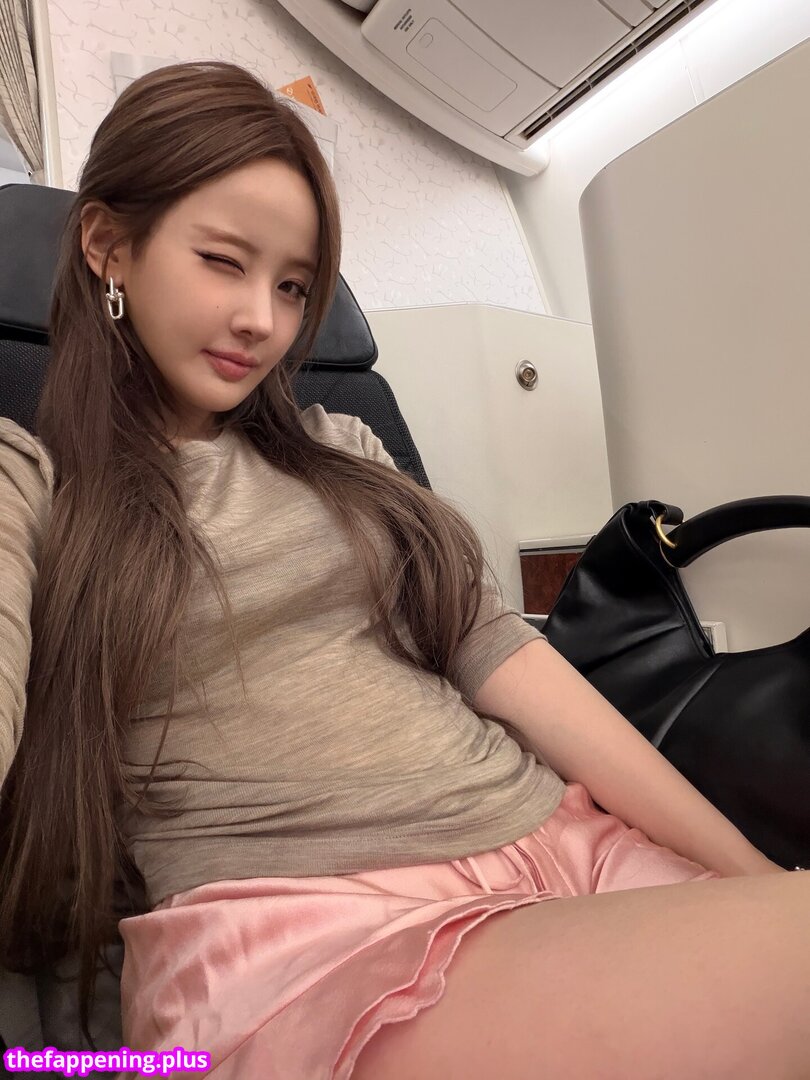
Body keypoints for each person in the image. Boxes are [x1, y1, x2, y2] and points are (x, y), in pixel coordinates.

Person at [0, 59, 806, 1080]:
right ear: (108, 245)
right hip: (317, 931)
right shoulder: (34, 483)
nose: (263, 320)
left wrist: (750, 874)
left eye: (293, 287)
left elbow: (502, 655)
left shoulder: (343, 448)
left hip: (559, 839)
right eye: (222, 262)